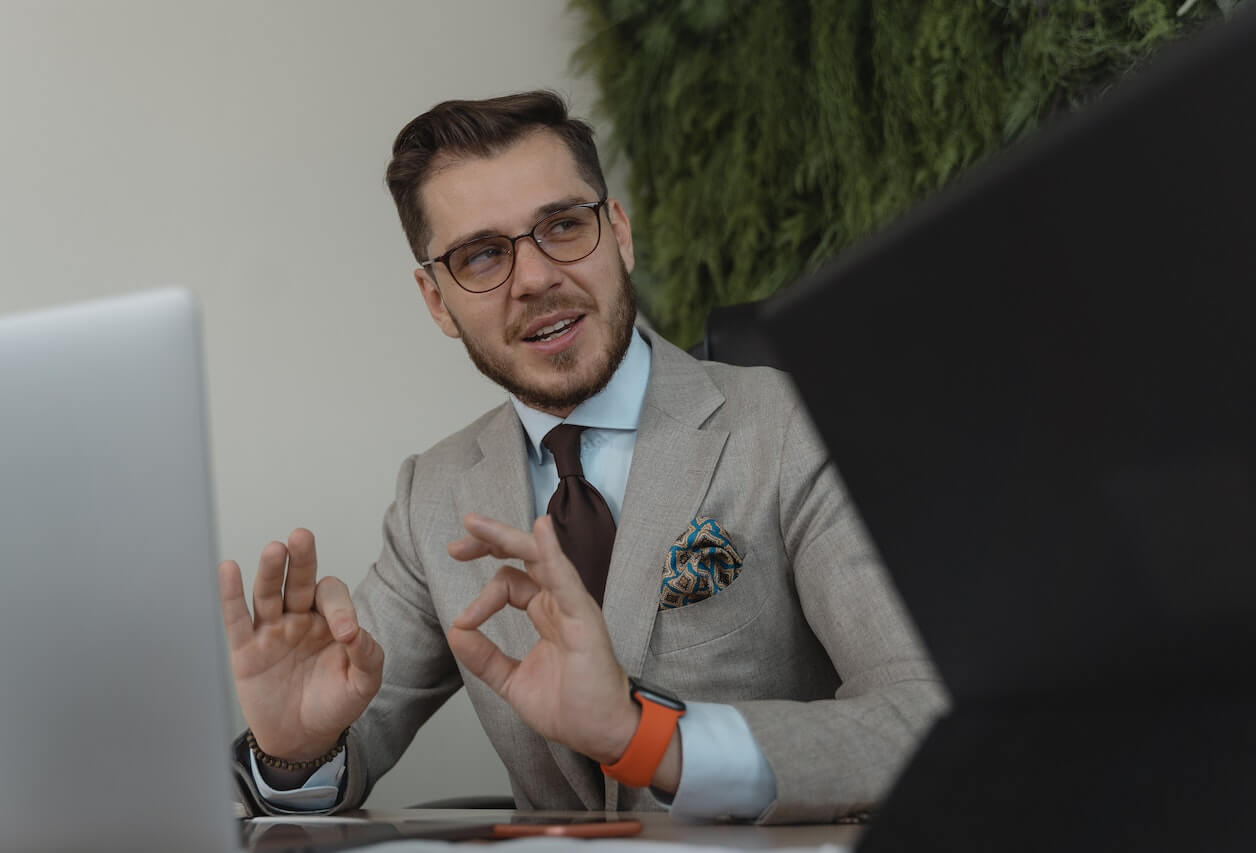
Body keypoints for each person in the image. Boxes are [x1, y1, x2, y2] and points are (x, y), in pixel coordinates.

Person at [220, 91, 946, 823]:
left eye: (562, 225)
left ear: (619, 233)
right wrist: (294, 749)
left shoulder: (789, 427)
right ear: (437, 301)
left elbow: (923, 717)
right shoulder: (431, 497)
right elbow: (346, 734)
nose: (535, 278)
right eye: (482, 255)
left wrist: (646, 737)